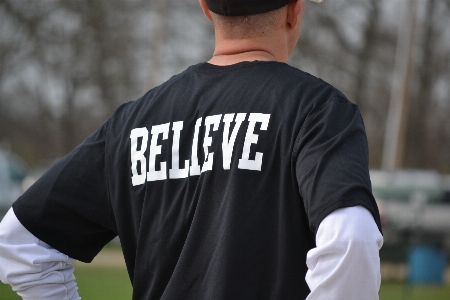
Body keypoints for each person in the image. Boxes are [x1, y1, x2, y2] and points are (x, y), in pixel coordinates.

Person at [0, 0, 383, 299]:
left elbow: (20, 243)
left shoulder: (134, 122)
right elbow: (351, 239)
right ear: (294, 10)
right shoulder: (317, 111)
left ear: (205, 8)